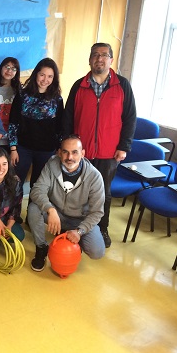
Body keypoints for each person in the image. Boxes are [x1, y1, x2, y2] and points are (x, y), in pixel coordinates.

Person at [63, 43, 137, 247]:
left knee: (103, 192)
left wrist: (124, 146)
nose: (99, 59)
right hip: (80, 153)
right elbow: (68, 118)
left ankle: (101, 228)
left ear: (111, 60)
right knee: (77, 190)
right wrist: (67, 147)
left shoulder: (122, 86)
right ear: (89, 60)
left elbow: (130, 118)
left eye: (104, 55)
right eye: (95, 55)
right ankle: (76, 226)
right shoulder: (79, 86)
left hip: (108, 153)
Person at [27, 135, 105, 272]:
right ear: (59, 153)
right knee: (33, 208)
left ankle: (73, 239)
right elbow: (37, 190)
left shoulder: (94, 176)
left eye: (75, 152)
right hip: (57, 214)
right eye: (65, 152)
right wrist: (50, 210)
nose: (70, 157)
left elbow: (97, 212)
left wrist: (80, 231)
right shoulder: (51, 165)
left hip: (80, 220)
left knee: (97, 252)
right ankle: (41, 248)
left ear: (83, 153)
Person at [8, 57, 64, 189]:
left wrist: (59, 148)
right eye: (42, 75)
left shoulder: (57, 99)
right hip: (23, 148)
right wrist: (13, 148)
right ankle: (13, 209)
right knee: (15, 183)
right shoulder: (22, 95)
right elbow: (13, 123)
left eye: (50, 76)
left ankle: (34, 210)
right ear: (36, 74)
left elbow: (60, 126)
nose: (45, 80)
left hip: (46, 150)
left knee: (39, 186)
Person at [0, 57, 21, 151]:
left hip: (11, 141)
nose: (9, 71)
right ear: (1, 68)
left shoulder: (19, 90)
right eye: (7, 67)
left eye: (13, 69)